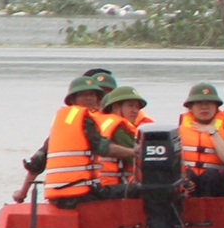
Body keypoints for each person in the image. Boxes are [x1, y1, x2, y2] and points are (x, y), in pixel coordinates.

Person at [15, 72, 137, 205]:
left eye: (92, 94)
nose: (89, 98)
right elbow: (103, 148)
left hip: (57, 195)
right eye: (84, 95)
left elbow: (37, 163)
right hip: (81, 193)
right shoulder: (85, 120)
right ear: (73, 99)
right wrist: (135, 152)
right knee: (139, 190)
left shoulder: (63, 123)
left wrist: (22, 193)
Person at [177, 82, 224, 195]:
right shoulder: (181, 125)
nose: (204, 107)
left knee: (211, 174)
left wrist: (212, 132)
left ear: (216, 107)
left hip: (214, 183)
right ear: (190, 108)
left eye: (209, 103)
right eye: (199, 103)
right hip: (189, 181)